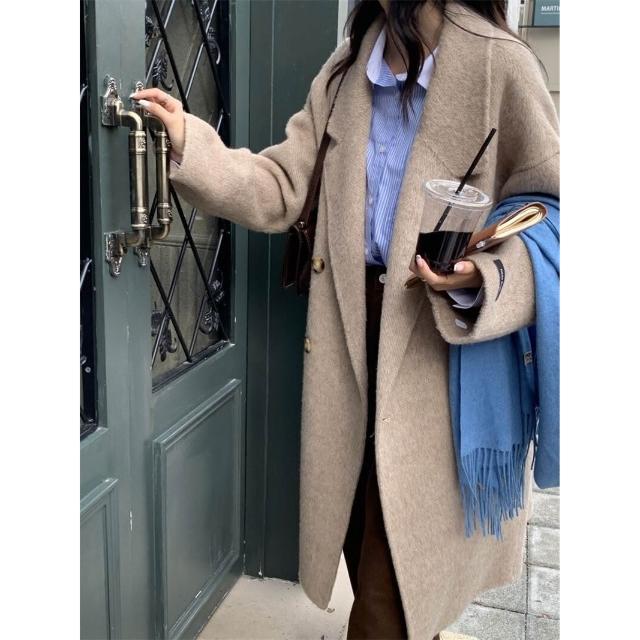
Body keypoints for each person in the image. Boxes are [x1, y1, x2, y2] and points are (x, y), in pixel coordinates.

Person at [131, 1, 559, 637]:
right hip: (348, 338)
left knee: (394, 582)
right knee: (366, 542)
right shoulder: (348, 68)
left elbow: (553, 209)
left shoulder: (500, 63)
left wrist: (485, 273)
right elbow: (282, 186)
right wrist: (192, 144)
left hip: (439, 347)